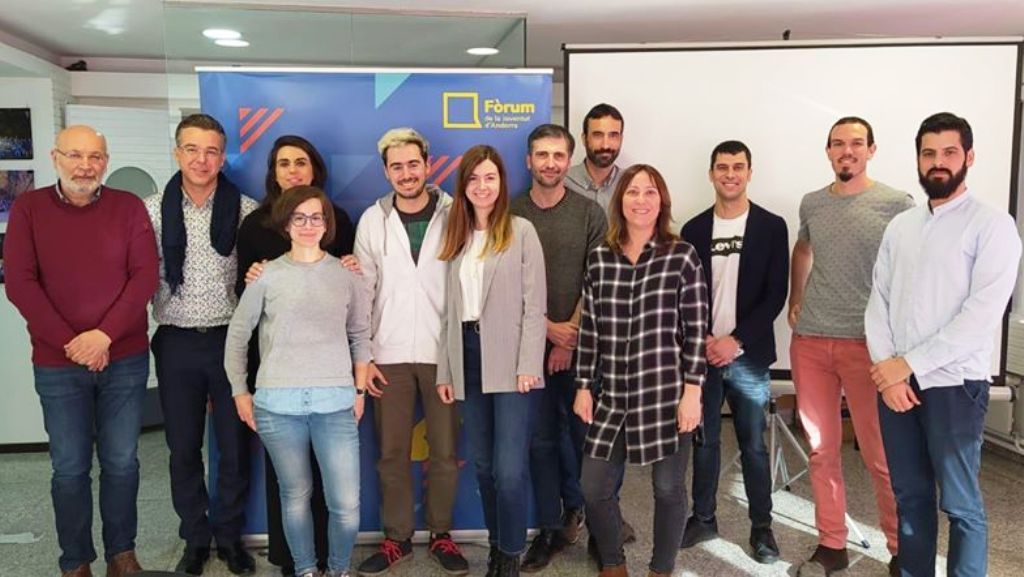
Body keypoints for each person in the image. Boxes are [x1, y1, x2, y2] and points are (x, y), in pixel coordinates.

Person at [866, 113, 1021, 577]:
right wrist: (887, 370)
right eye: (928, 153)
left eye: (949, 152)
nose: (938, 162)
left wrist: (906, 365)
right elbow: (878, 301)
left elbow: (978, 318)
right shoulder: (901, 227)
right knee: (910, 497)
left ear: (968, 157)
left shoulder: (993, 226)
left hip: (956, 385)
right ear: (918, 158)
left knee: (959, 503)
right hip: (897, 388)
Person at [4, 125, 158, 577]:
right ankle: (76, 562)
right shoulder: (29, 209)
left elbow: (144, 276)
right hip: (58, 362)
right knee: (69, 469)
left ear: (106, 161)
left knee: (122, 463)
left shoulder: (128, 207)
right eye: (75, 155)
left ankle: (121, 555)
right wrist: (75, 344)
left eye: (94, 157)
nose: (85, 165)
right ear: (55, 157)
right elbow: (20, 284)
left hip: (124, 357)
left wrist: (104, 337)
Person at [788, 117, 912, 576]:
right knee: (821, 450)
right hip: (812, 344)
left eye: (856, 144)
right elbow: (803, 249)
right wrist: (795, 296)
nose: (847, 151)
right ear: (827, 152)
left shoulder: (896, 204)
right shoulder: (813, 203)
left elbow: (909, 272)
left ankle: (901, 550)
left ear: (871, 150)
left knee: (881, 455)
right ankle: (831, 545)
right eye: (838, 144)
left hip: (868, 347)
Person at [225, 185, 370, 577]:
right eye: (299, 218)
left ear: (327, 224)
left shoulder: (346, 274)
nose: (308, 225)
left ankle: (337, 570)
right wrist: (240, 392)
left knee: (345, 504)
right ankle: (305, 570)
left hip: (335, 404)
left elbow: (360, 335)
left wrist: (358, 392)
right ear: (286, 224)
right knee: (295, 496)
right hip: (278, 407)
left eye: (316, 217)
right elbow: (238, 336)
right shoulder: (266, 275)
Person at [574, 164, 707, 577]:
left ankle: (661, 569)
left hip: (667, 396)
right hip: (613, 395)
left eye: (650, 193)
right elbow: (590, 328)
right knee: (593, 488)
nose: (641, 200)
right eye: (632, 192)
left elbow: (697, 330)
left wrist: (693, 393)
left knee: (668, 489)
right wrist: (582, 386)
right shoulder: (600, 258)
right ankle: (613, 563)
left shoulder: (680, 255)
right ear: (620, 202)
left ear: (662, 201)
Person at [145, 113, 259, 576]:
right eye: (191, 149)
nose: (201, 159)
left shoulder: (246, 210)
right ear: (177, 152)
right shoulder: (151, 210)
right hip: (174, 342)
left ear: (222, 156)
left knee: (234, 446)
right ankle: (195, 536)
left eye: (211, 150)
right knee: (183, 446)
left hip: (231, 343)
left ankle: (229, 536)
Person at [354, 128, 467, 576]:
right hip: (390, 355)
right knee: (391, 453)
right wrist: (365, 356)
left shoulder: (456, 213)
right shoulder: (371, 220)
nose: (405, 173)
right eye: (396, 166)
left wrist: (459, 357)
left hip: (443, 354)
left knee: (444, 451)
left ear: (428, 164)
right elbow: (362, 293)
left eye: (412, 164)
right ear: (386, 171)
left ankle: (441, 534)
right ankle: (396, 538)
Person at [435, 145, 547, 577]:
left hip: (511, 360)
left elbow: (534, 305)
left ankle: (512, 552)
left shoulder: (521, 231)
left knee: (510, 469)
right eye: (474, 179)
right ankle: (499, 548)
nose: (482, 187)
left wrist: (527, 365)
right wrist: (446, 369)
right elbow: (448, 309)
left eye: (490, 178)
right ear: (463, 186)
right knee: (482, 463)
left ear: (502, 184)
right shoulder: (455, 234)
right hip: (467, 355)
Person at [679, 140, 788, 564]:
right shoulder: (693, 229)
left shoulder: (771, 226)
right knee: (703, 442)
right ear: (711, 174)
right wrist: (704, 338)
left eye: (738, 167)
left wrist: (735, 340)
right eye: (722, 167)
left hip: (749, 355)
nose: (730, 174)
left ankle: (762, 528)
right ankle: (703, 517)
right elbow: (683, 293)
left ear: (749, 172)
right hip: (702, 354)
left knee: (754, 446)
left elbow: (776, 293)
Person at [511, 123, 607, 572]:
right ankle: (552, 527)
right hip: (525, 346)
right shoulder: (507, 213)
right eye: (541, 155)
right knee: (541, 441)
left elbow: (599, 278)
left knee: (585, 439)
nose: (550, 163)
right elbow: (503, 284)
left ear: (569, 161)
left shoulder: (591, 214)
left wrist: (568, 333)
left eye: (558, 155)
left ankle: (594, 522)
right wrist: (548, 329)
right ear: (529, 161)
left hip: (582, 347)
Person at [565, 103, 624, 215]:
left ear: (621, 139)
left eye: (613, 135)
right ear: (584, 139)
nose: (605, 145)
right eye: (598, 135)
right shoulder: (563, 182)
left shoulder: (630, 183)